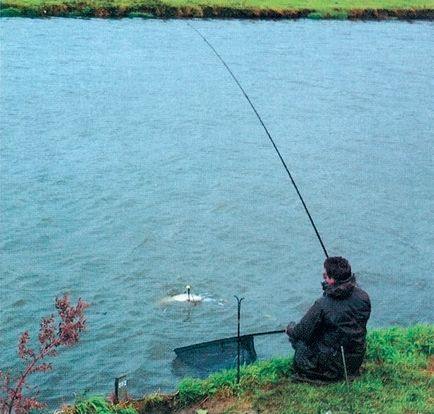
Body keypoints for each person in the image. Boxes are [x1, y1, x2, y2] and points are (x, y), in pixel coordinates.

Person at [285, 256, 371, 383]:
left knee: (298, 339)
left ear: (332, 280)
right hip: (356, 359)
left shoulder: (322, 304)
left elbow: (301, 331)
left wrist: (290, 329)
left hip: (334, 366)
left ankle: (324, 372)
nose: (323, 276)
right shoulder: (364, 297)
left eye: (325, 275)